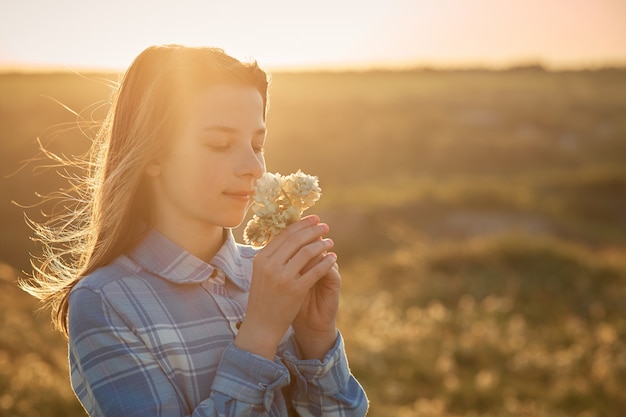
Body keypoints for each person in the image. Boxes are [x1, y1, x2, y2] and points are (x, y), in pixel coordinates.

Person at [22, 44, 368, 416]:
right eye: (220, 144)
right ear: (152, 154)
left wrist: (317, 339)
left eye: (257, 144)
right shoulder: (105, 302)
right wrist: (261, 333)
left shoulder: (270, 275)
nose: (253, 166)